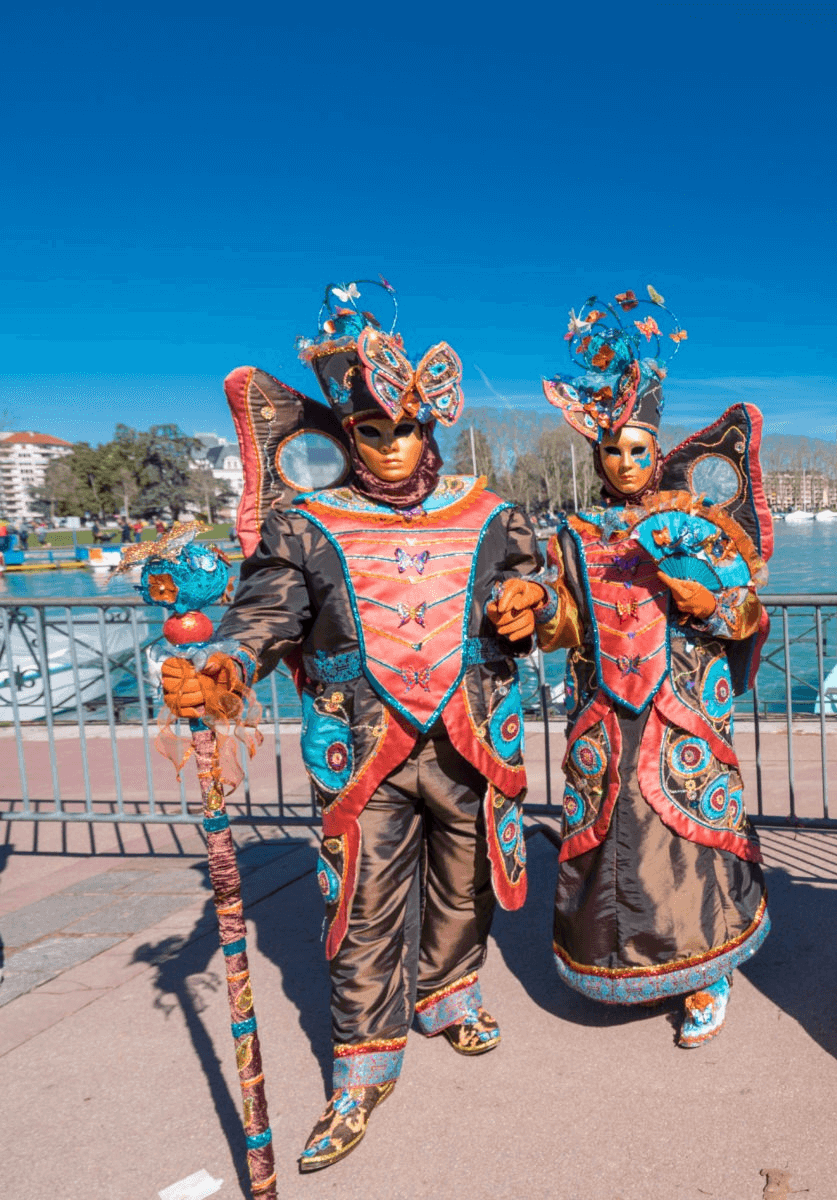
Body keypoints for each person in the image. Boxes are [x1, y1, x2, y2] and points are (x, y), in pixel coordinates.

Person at [160, 282, 545, 1173]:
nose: (392, 446)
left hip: (474, 739)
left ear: (430, 430)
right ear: (348, 436)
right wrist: (223, 671)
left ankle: (449, 994)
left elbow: (531, 586)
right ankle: (361, 1067)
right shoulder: (308, 525)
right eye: (372, 432)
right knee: (361, 908)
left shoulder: (491, 514)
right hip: (362, 748)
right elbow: (266, 613)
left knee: (469, 880)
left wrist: (530, 600)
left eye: (404, 429)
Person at [525, 288, 774, 1046]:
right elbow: (565, 619)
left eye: (639, 448)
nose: (627, 462)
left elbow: (746, 615)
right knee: (610, 837)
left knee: (689, 838)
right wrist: (534, 613)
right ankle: (622, 961)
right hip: (604, 711)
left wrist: (704, 600)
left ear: (657, 450)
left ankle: (708, 969)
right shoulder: (570, 533)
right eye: (613, 449)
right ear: (596, 454)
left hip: (682, 710)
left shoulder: (699, 524)